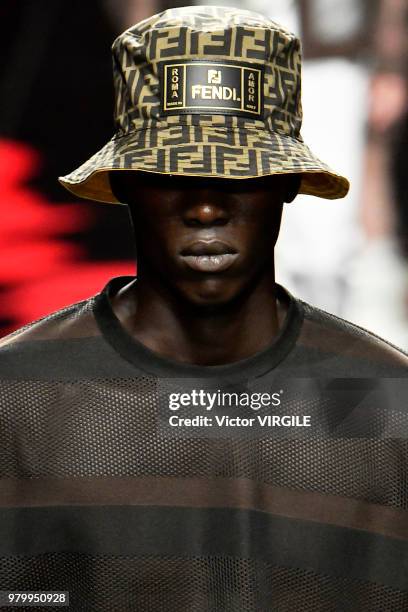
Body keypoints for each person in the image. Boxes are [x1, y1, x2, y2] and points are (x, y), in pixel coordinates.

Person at [1, 6, 408, 611]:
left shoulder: (381, 399)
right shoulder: (16, 397)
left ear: (286, 183)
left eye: (240, 172)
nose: (207, 208)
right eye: (173, 169)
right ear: (126, 182)